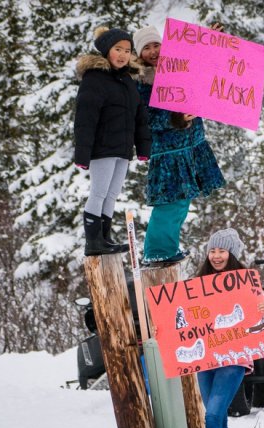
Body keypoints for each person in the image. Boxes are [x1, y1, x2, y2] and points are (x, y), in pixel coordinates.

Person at [133, 24, 226, 266]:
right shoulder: (139, 81)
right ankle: (158, 252)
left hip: (191, 146)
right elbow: (144, 118)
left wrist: (211, 39)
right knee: (171, 203)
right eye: (147, 48)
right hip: (169, 152)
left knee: (182, 202)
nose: (153, 52)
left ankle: (167, 248)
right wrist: (174, 118)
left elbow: (206, 66)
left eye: (156, 45)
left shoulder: (179, 67)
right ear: (138, 53)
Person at [195, 228, 264, 428]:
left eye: (222, 251)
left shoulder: (246, 282)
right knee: (217, 416)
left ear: (232, 254)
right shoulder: (197, 283)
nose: (216, 256)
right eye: (212, 251)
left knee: (212, 415)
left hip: (234, 358)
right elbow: (184, 318)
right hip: (206, 357)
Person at [74, 26, 151, 256]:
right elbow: (85, 119)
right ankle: (93, 241)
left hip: (122, 150)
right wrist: (82, 154)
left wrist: (143, 148)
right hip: (102, 148)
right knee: (98, 192)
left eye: (127, 50)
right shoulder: (94, 79)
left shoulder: (127, 81)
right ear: (107, 50)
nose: (123, 55)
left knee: (112, 194)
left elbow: (139, 117)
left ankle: (104, 238)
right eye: (118, 49)